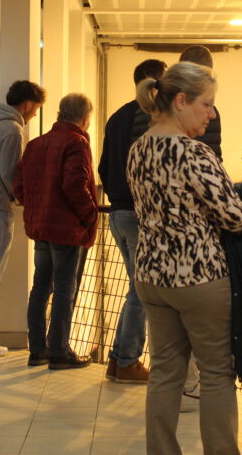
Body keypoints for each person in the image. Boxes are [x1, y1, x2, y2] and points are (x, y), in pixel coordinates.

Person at [127, 61, 242, 455]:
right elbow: (234, 216)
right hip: (199, 278)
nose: (210, 114)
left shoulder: (139, 148)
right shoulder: (195, 153)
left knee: (164, 372)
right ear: (180, 101)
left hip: (150, 274)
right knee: (215, 374)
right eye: (206, 104)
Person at [14, 93, 100, 370]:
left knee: (40, 287)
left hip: (41, 226)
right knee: (64, 289)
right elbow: (76, 185)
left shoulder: (37, 144)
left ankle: (37, 349)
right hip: (66, 228)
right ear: (85, 118)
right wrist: (90, 215)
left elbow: (19, 186)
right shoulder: (76, 143)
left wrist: (38, 206)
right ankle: (59, 351)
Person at [97, 58, 167, 384]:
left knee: (136, 288)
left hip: (116, 213)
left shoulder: (116, 117)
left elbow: (103, 166)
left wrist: (115, 196)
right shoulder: (151, 117)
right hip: (139, 215)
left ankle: (116, 359)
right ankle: (127, 361)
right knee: (143, 291)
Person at [0, 80, 46, 358]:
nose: (35, 116)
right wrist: (23, 199)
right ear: (27, 105)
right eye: (36, 109)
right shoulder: (12, 130)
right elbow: (10, 173)